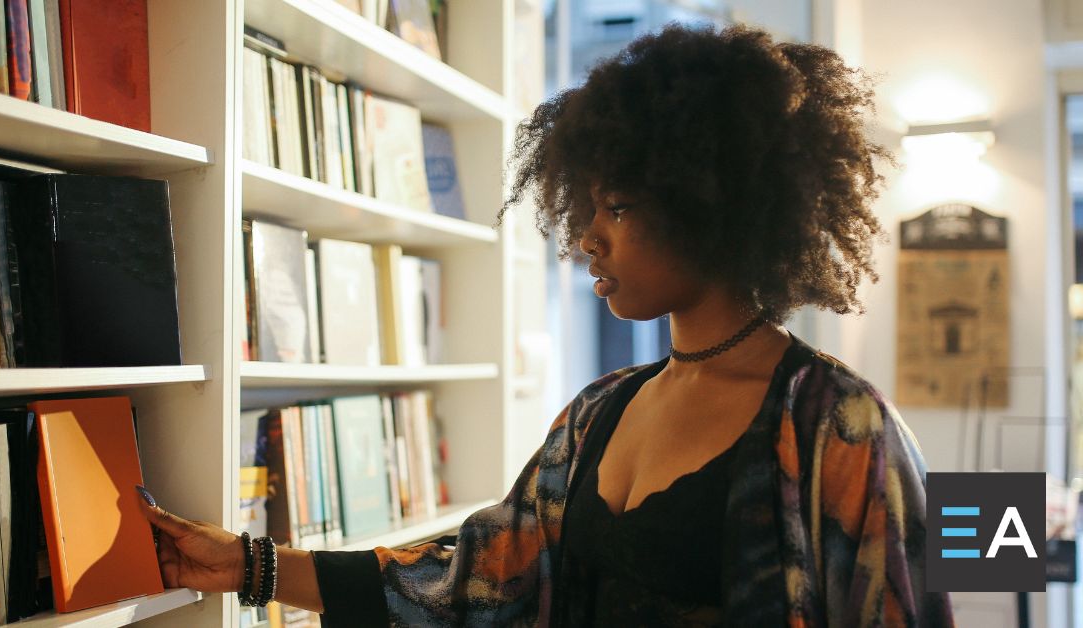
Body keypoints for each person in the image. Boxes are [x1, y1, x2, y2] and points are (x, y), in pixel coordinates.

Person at [136, 23, 955, 627]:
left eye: (620, 207)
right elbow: (480, 578)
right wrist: (248, 565)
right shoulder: (600, 412)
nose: (587, 238)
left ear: (712, 205)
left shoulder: (838, 427)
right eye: (585, 206)